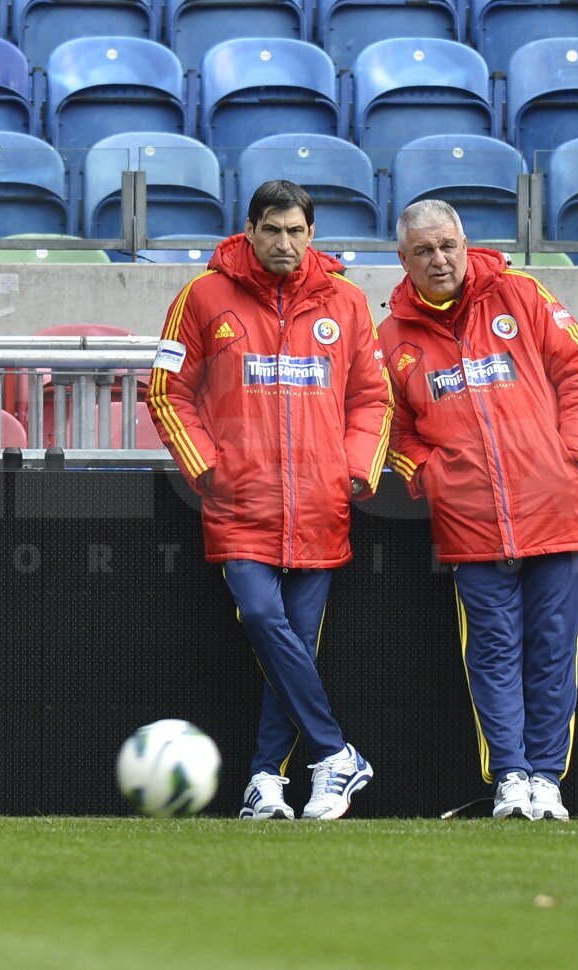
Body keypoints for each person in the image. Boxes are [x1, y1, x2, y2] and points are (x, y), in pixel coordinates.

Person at [147, 179, 393, 821]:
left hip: (321, 502)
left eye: (297, 231)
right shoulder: (201, 297)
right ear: (249, 230)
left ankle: (265, 780)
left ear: (313, 235)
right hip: (239, 503)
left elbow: (372, 397)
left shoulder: (348, 302)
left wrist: (355, 468)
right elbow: (165, 390)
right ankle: (336, 753)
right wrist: (207, 466)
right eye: (272, 230)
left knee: (294, 649)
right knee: (261, 620)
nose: (285, 243)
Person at [380, 200, 578, 821]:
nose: (439, 259)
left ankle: (547, 779)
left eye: (447, 245)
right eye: (423, 251)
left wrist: (571, 460)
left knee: (553, 650)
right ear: (403, 260)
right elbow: (392, 430)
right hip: (470, 525)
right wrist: (433, 479)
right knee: (493, 652)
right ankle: (509, 776)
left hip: (557, 510)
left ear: (464, 242)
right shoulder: (391, 337)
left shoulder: (521, 293)